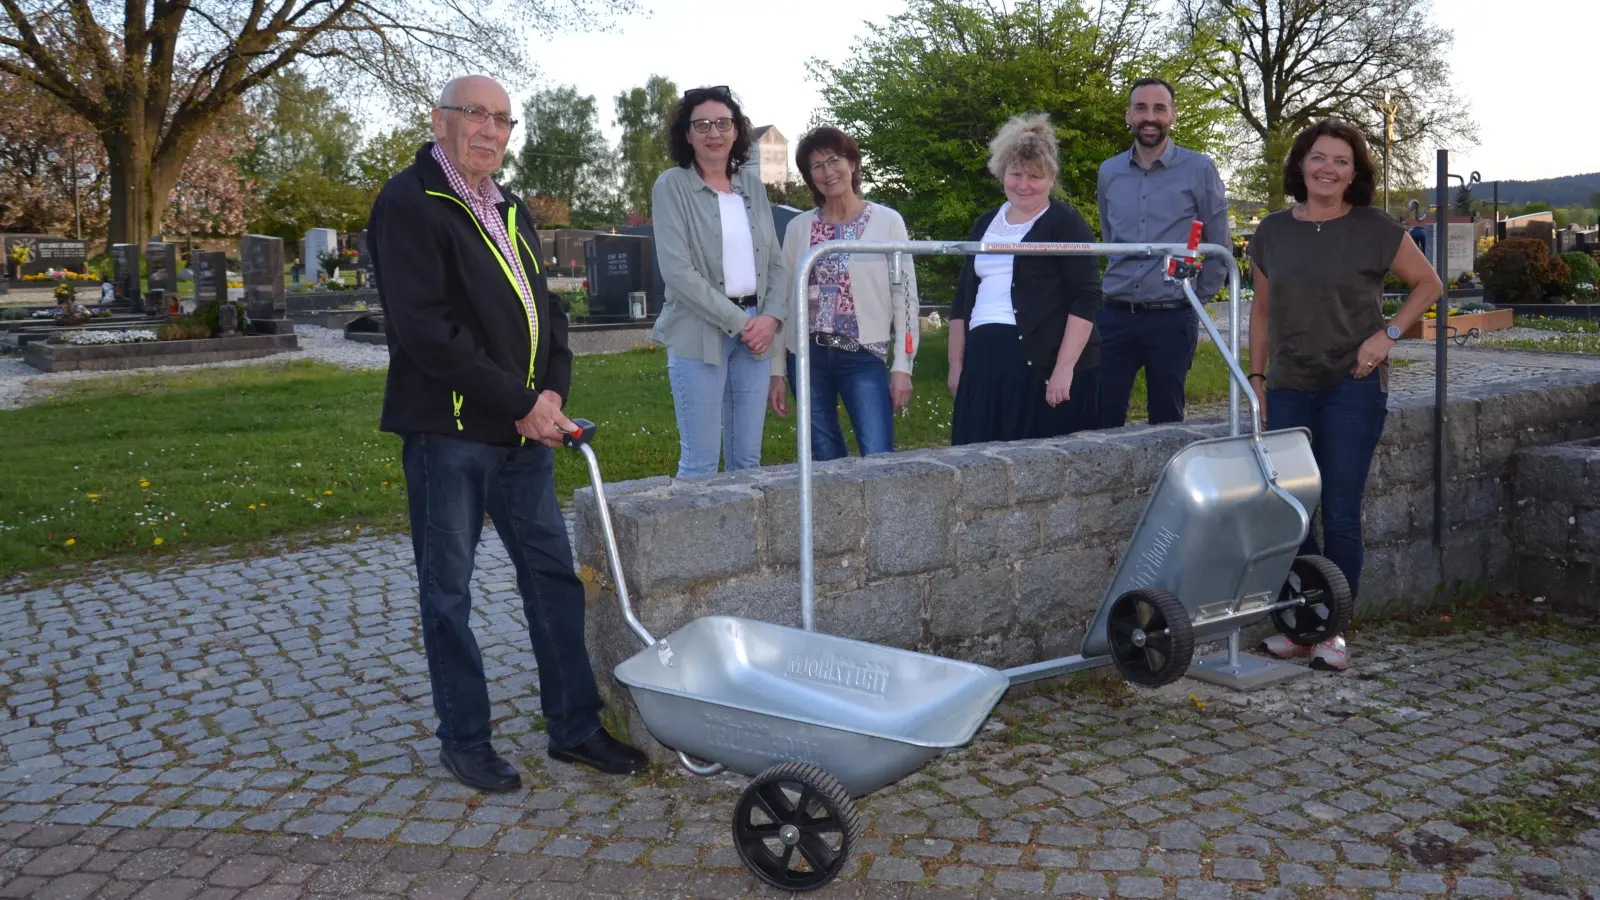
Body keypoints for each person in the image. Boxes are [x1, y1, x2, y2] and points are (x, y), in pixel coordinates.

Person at [369, 74, 647, 791]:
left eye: (503, 120)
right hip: (451, 434)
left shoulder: (508, 205)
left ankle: (575, 728)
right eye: (476, 116)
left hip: (525, 433)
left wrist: (551, 390)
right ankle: (464, 738)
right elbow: (428, 332)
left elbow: (546, 313)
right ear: (440, 121)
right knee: (449, 592)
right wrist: (519, 402)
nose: (490, 131)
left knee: (552, 578)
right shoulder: (409, 203)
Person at [1247, 118, 1442, 671]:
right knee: (1292, 514)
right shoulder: (1272, 232)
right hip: (1288, 387)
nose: (1328, 168)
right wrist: (1257, 380)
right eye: (1318, 157)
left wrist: (1388, 335)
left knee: (1339, 512)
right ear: (1300, 165)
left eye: (1340, 161)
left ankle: (1332, 630)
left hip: (1351, 388)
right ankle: (1300, 626)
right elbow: (1261, 312)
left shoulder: (1375, 228)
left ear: (1354, 173)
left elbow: (1429, 285)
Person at [650, 85, 788, 477]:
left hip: (756, 335)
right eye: (702, 125)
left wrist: (771, 318)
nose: (714, 133)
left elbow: (776, 263)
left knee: (748, 463)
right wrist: (743, 324)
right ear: (688, 134)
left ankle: (745, 541)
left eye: (723, 123)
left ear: (736, 130)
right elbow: (678, 273)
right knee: (701, 463)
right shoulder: (671, 186)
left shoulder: (752, 186)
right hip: (699, 335)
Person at [948, 113, 1102, 444]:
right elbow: (962, 301)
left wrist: (1064, 369)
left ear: (1051, 178)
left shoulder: (1066, 223)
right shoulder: (984, 223)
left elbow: (1086, 297)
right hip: (983, 361)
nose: (1023, 184)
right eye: (1015, 174)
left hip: (1036, 364)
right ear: (1002, 173)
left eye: (1034, 176)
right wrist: (955, 366)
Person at [767, 126, 920, 459]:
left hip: (863, 355)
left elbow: (905, 299)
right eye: (817, 166)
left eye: (833, 160)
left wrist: (902, 366)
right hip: (807, 358)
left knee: (877, 452)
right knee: (823, 458)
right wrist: (777, 371)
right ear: (810, 178)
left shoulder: (887, 222)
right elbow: (782, 299)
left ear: (852, 163)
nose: (827, 172)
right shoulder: (798, 229)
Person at [1095, 77, 1231, 428]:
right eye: (1140, 108)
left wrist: (1193, 297)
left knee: (1167, 423)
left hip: (1171, 318)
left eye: (1159, 108)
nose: (1149, 117)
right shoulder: (1109, 172)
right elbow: (1110, 236)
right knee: (1101, 418)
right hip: (1114, 315)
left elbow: (1218, 246)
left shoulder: (1199, 168)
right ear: (1128, 115)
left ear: (1172, 115)